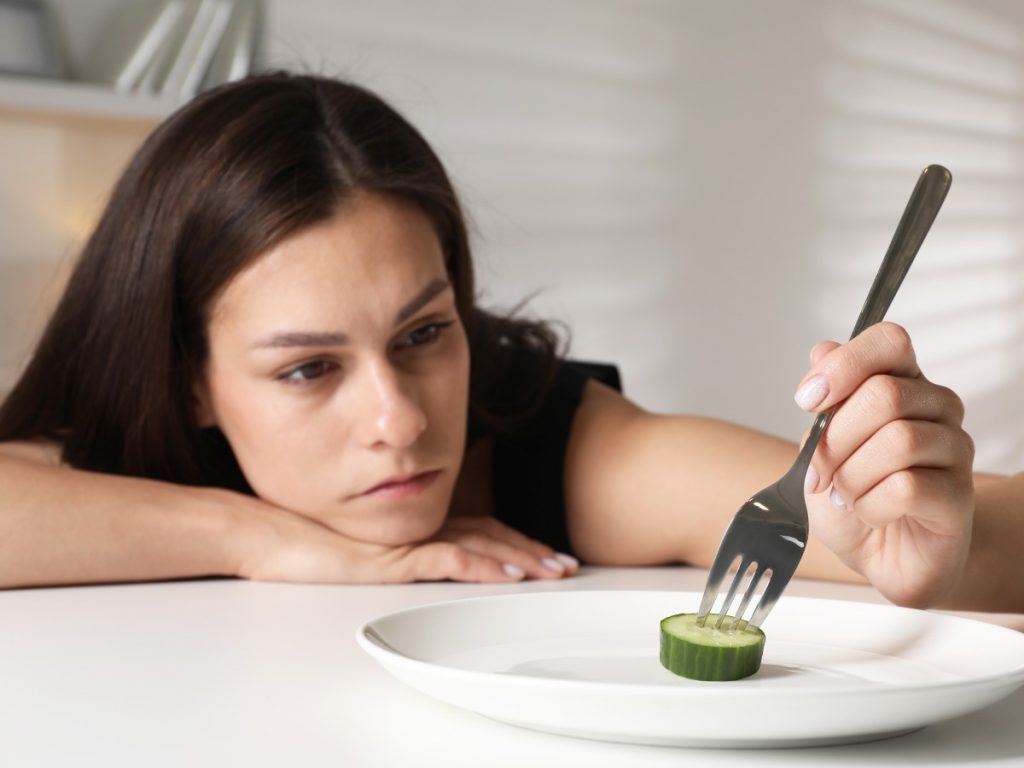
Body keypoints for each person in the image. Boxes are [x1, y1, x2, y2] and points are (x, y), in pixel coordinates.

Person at [0, 72, 1017, 613]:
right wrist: (260, 539)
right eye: (309, 367)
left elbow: (908, 530)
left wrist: (936, 549)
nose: (400, 419)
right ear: (189, 384)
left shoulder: (550, 444)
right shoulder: (116, 452)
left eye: (425, 333)